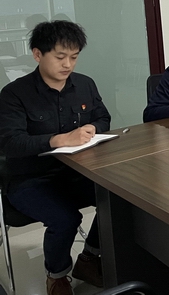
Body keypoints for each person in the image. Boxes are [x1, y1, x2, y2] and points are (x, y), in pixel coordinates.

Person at [0, 21, 110, 295]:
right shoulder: (14, 94)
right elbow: (10, 143)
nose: (67, 64)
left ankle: (89, 258)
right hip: (30, 179)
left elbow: (103, 117)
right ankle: (57, 276)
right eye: (60, 57)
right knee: (65, 219)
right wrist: (58, 140)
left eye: (74, 57)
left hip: (76, 172)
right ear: (38, 54)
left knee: (116, 199)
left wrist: (92, 128)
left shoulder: (85, 84)